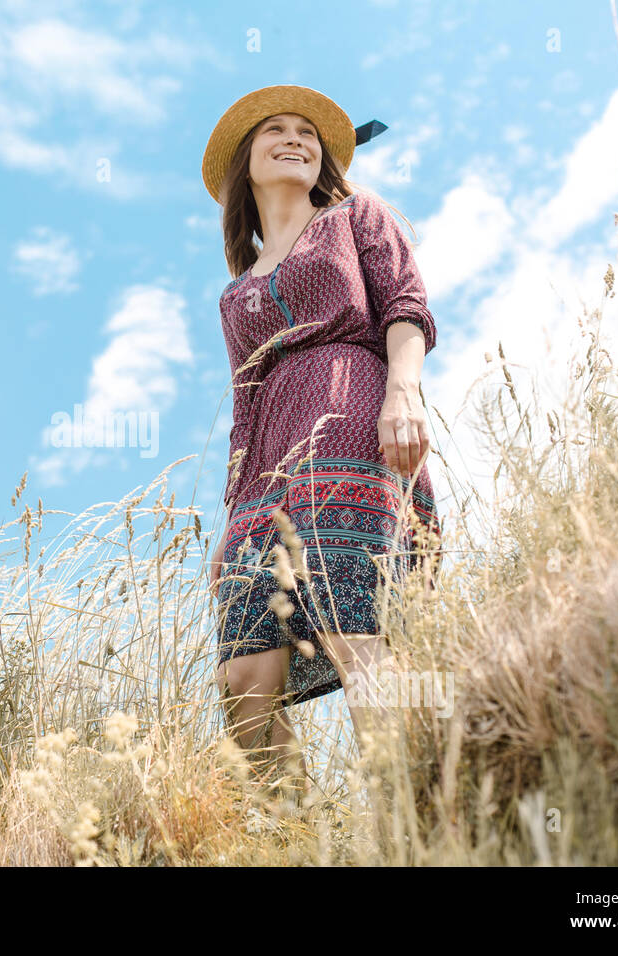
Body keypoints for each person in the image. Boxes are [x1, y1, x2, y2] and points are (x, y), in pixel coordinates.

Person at [200, 85, 441, 803]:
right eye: (276, 130)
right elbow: (244, 406)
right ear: (247, 162)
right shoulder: (234, 294)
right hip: (262, 472)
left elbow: (406, 305)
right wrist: (229, 516)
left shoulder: (356, 217)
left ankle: (410, 819)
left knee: (354, 627)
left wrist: (404, 393)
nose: (296, 139)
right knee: (244, 676)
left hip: (349, 413)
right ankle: (297, 838)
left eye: (308, 132)